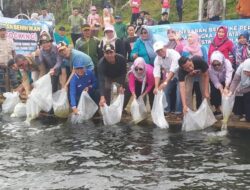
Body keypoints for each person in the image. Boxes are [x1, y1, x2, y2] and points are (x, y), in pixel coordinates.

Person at [153, 41, 182, 116]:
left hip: (180, 74)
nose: (160, 52)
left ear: (164, 47)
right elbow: (157, 73)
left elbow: (173, 69)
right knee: (165, 91)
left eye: (161, 49)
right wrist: (156, 87)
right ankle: (167, 109)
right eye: (157, 51)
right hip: (169, 75)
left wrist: (165, 82)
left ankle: (179, 111)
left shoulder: (173, 53)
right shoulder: (157, 59)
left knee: (179, 92)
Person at [182, 31, 208, 109]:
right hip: (189, 75)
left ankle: (202, 112)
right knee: (188, 93)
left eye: (191, 37)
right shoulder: (185, 49)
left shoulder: (202, 48)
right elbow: (183, 63)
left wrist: (201, 71)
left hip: (201, 75)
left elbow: (206, 61)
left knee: (201, 93)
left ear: (196, 38)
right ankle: (189, 112)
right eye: (188, 37)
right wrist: (190, 71)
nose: (189, 38)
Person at [209, 51, 233, 115]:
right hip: (217, 81)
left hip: (226, 80)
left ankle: (228, 110)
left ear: (221, 61)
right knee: (214, 93)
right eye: (214, 65)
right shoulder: (210, 68)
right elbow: (215, 80)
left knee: (228, 93)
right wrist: (220, 88)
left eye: (218, 64)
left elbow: (229, 74)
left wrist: (226, 86)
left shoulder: (227, 63)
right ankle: (218, 109)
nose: (216, 66)